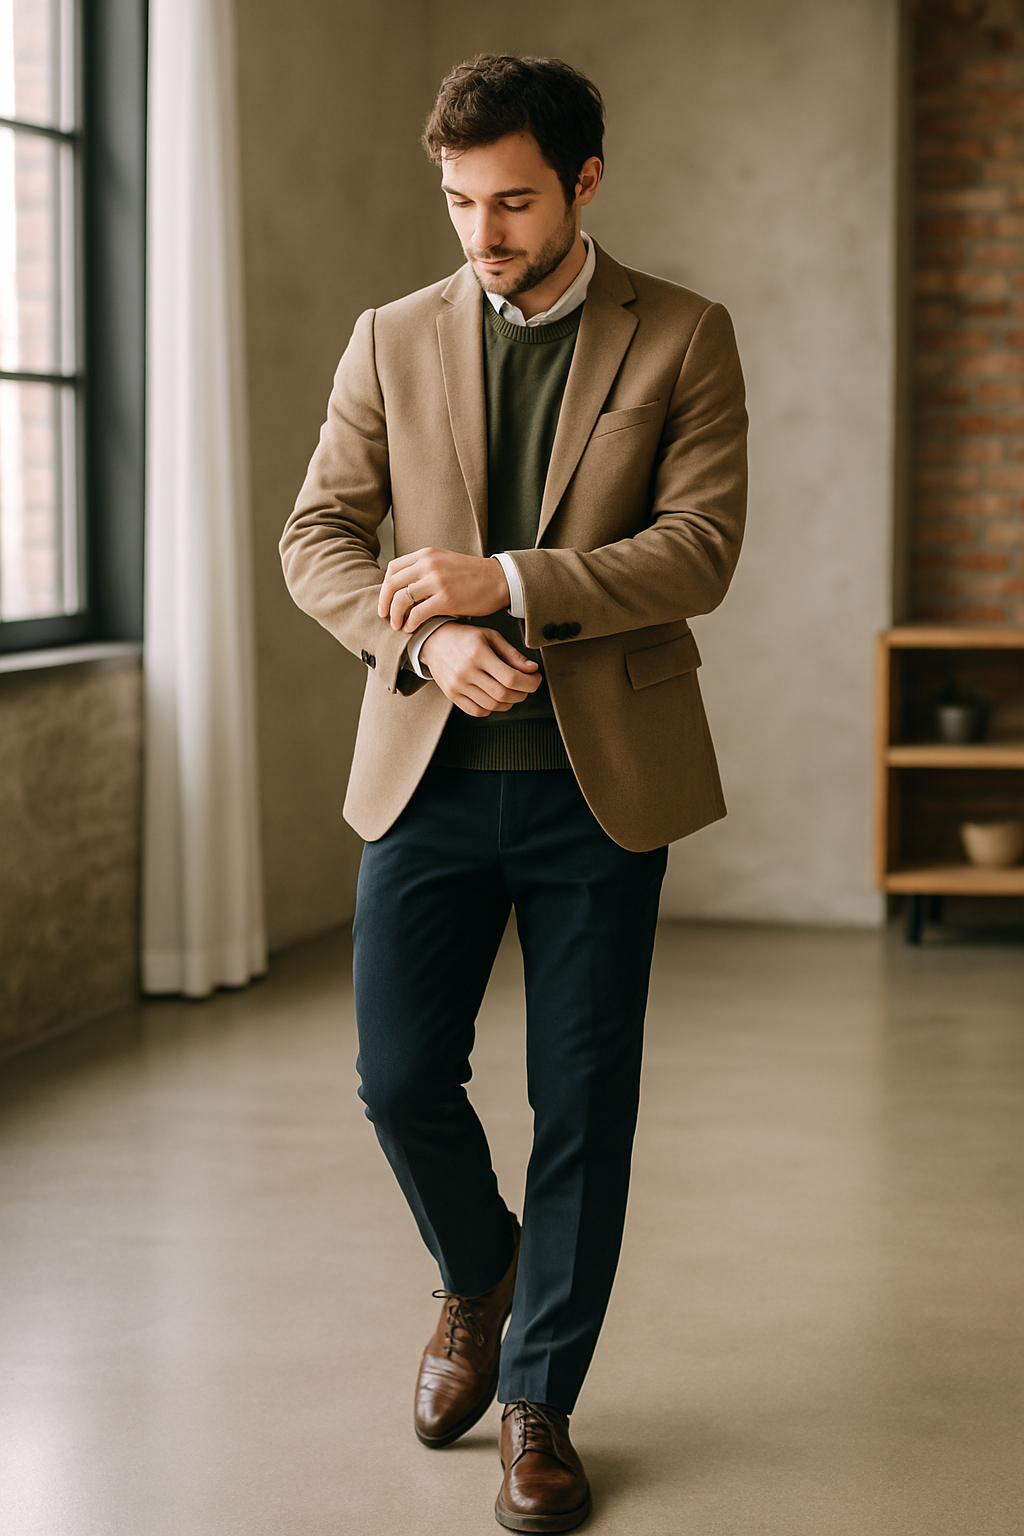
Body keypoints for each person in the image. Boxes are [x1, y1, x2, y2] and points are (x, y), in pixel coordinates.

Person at [281, 52, 747, 1533]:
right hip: (422, 779)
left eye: (516, 202)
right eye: (462, 202)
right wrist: (426, 631)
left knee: (583, 1106)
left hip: (598, 791)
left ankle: (539, 1403)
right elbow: (319, 539)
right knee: (400, 1076)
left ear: (585, 184)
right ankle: (477, 1276)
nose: (484, 233)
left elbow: (700, 550)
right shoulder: (388, 337)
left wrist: (513, 585)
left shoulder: (682, 335)